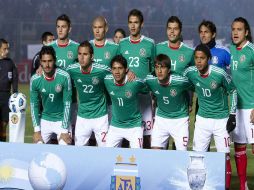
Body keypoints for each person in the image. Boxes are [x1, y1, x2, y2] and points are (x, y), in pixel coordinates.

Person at [183, 44, 237, 190]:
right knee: (197, 159)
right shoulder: (190, 72)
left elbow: (232, 91)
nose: (199, 61)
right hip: (202, 121)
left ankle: (225, 187)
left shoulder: (219, 74)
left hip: (221, 121)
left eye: (202, 58)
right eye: (196, 58)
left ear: (209, 59)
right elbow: (182, 85)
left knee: (224, 158)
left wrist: (232, 115)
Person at [119, 9, 155, 148]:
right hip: (127, 96)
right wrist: (127, 71)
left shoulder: (150, 44)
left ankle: (146, 166)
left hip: (144, 96)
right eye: (130, 23)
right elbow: (117, 65)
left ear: (141, 24)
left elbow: (153, 69)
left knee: (147, 136)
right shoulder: (122, 44)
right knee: (126, 135)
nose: (133, 26)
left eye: (136, 22)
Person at [156, 16, 194, 150]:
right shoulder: (158, 48)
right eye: (169, 29)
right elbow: (152, 74)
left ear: (180, 31)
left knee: (180, 153)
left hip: (180, 111)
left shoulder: (189, 52)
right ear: (166, 30)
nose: (172, 32)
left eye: (175, 29)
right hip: (162, 110)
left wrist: (190, 102)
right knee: (158, 151)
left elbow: (193, 79)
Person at [66, 41, 110, 146]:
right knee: (79, 151)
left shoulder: (102, 70)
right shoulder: (72, 69)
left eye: (85, 54)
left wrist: (128, 71)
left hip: (101, 117)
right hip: (82, 117)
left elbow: (118, 72)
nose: (82, 57)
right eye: (80, 54)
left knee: (106, 151)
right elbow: (58, 73)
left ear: (92, 56)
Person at [145, 54, 193, 150]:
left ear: (169, 69)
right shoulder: (150, 80)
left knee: (181, 154)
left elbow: (195, 87)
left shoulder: (180, 81)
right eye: (157, 67)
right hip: (161, 119)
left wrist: (190, 103)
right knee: (155, 152)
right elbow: (138, 85)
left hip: (180, 120)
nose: (159, 71)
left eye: (162, 67)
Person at [30, 46, 72, 145]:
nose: (47, 65)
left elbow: (67, 104)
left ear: (55, 60)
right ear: (40, 62)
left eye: (50, 61)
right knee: (38, 147)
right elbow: (34, 105)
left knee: (64, 146)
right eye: (44, 61)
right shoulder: (35, 79)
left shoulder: (64, 76)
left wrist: (65, 129)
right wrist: (36, 130)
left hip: (62, 119)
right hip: (45, 119)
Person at [230, 17, 254, 190]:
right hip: (236, 107)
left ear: (246, 32)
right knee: (239, 147)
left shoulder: (252, 50)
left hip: (251, 107)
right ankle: (243, 186)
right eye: (233, 29)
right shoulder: (230, 50)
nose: (235, 32)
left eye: (239, 29)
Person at [104, 55, 146, 148]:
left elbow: (149, 86)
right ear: (111, 70)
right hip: (116, 125)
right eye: (114, 68)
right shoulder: (107, 80)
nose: (117, 72)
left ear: (126, 69)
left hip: (134, 126)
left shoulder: (135, 82)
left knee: (137, 157)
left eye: (120, 68)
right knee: (107, 155)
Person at [0, 39, 18, 141]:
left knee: (4, 124)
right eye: (4, 49)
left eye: (8, 49)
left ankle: (2, 146)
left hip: (6, 96)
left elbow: (15, 79)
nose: (7, 51)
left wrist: (15, 93)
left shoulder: (10, 62)